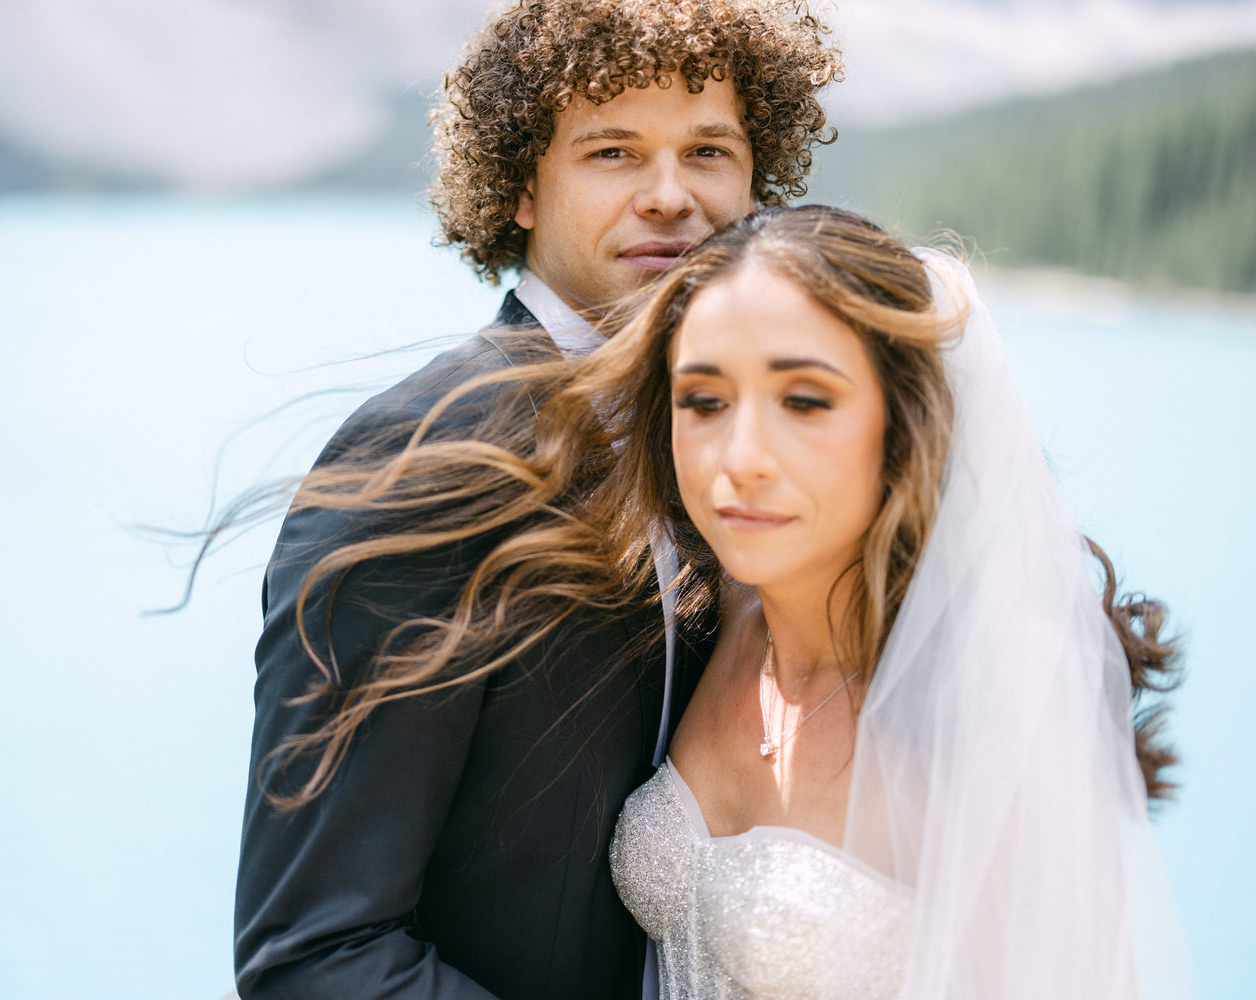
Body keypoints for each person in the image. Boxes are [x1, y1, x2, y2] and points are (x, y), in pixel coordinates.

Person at [275, 204, 1192, 998]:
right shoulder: (715, 617)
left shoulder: (998, 703)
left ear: (902, 424)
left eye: (804, 400)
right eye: (704, 401)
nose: (741, 456)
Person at [230, 3, 841, 999]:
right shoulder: (423, 462)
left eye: (709, 152)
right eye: (613, 153)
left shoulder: (724, 454)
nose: (670, 196)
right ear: (519, 185)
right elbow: (315, 955)